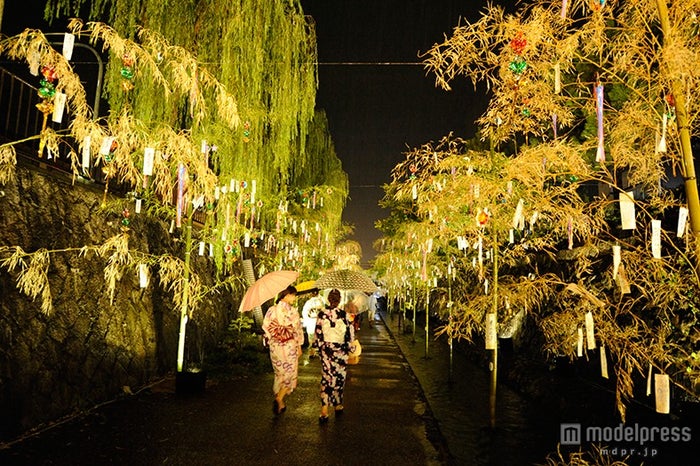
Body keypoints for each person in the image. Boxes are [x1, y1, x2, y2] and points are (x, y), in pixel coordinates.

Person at [312, 288, 356, 423]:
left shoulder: (322, 315)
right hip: (341, 351)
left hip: (326, 350)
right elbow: (350, 336)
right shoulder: (344, 315)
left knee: (326, 378)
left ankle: (324, 410)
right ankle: (338, 404)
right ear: (339, 301)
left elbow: (318, 333)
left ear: (328, 300)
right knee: (339, 378)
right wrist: (352, 348)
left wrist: (316, 348)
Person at [262, 286, 303, 415]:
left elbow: (266, 328)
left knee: (279, 372)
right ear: (287, 295)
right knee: (290, 372)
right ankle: (280, 397)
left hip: (275, 346)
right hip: (289, 346)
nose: (294, 298)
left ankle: (280, 402)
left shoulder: (271, 310)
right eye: (293, 295)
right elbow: (296, 330)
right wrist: (300, 346)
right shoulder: (292, 311)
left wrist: (271, 340)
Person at [301, 289, 325, 357]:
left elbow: (304, 313)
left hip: (310, 321)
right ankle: (319, 351)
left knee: (311, 338)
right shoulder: (321, 302)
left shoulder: (308, 302)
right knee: (318, 337)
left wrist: (307, 318)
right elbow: (323, 312)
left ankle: (312, 352)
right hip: (318, 322)